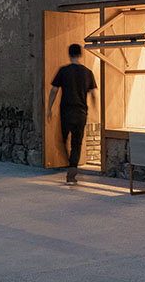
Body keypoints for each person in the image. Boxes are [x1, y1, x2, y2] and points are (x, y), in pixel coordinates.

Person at [46, 43, 97, 185]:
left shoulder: (63, 71)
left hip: (66, 112)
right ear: (80, 54)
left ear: (69, 54)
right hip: (81, 112)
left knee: (61, 140)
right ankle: (72, 168)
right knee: (77, 142)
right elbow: (93, 94)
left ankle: (70, 165)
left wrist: (49, 108)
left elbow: (54, 91)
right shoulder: (88, 72)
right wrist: (95, 111)